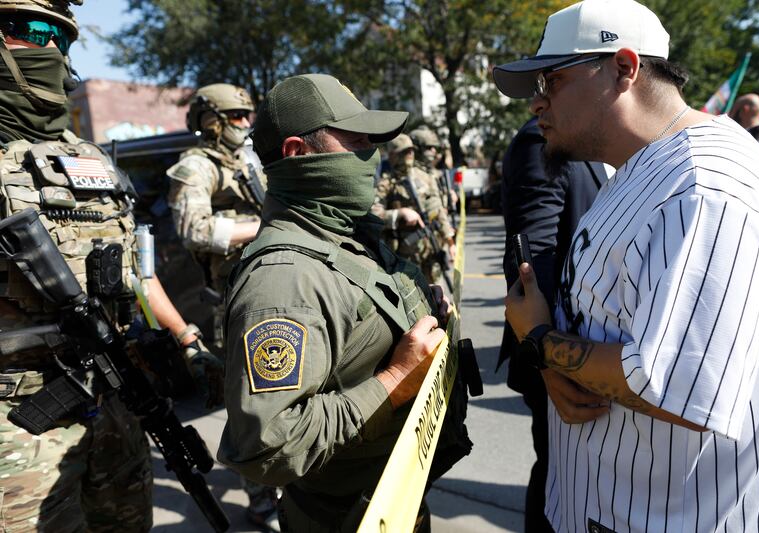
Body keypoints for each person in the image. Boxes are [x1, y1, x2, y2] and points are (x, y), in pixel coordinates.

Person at [494, 0, 759, 531]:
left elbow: (677, 386)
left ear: (624, 68)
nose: (537, 103)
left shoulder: (704, 187)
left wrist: (540, 340)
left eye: (552, 81)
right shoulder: (642, 166)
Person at [0, 1, 223, 531]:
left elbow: (139, 273)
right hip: (18, 424)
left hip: (116, 398)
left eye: (62, 38)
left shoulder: (91, 161)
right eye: (31, 31)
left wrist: (188, 341)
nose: (51, 48)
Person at [218, 73, 468, 532]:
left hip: (393, 495)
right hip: (346, 516)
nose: (371, 160)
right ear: (298, 153)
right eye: (356, 144)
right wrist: (394, 380)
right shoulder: (284, 281)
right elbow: (268, 443)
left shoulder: (346, 230)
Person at [167, 83, 278, 528]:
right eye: (236, 117)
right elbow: (194, 228)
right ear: (211, 120)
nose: (245, 125)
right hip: (232, 301)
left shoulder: (247, 161)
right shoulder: (195, 166)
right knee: (247, 404)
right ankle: (260, 500)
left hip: (269, 290)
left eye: (247, 117)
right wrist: (261, 226)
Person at [496, 114, 606, 533]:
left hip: (583, 354)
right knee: (558, 482)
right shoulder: (541, 137)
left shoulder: (598, 140)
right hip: (557, 354)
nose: (542, 96)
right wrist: (549, 355)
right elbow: (531, 257)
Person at [372, 132, 455, 284]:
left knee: (437, 294)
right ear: (392, 155)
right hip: (404, 256)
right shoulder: (387, 184)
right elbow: (373, 215)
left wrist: (449, 240)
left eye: (411, 150)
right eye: (404, 151)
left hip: (431, 250)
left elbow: (438, 210)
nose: (409, 154)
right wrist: (399, 214)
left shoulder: (426, 178)